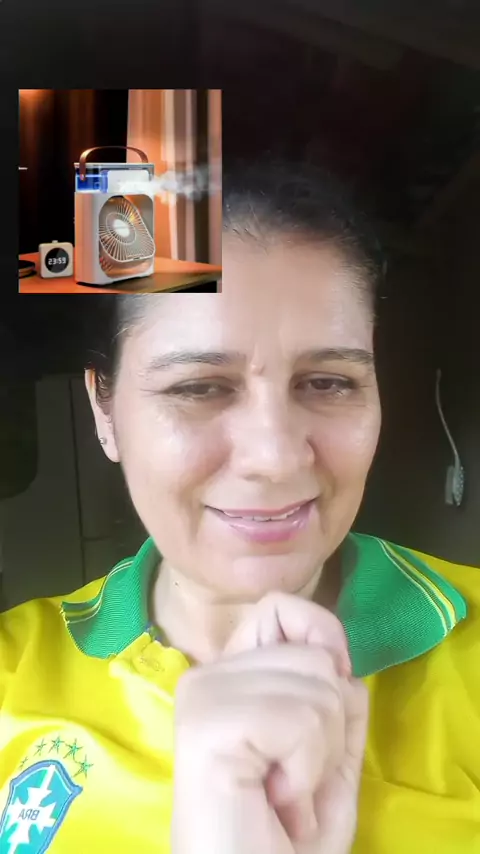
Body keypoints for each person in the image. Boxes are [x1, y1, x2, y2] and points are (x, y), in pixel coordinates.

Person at [0, 159, 479, 854]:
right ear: (104, 409)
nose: (275, 456)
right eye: (199, 387)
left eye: (328, 382)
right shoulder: (11, 675)